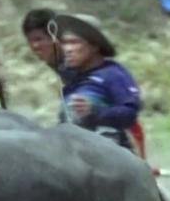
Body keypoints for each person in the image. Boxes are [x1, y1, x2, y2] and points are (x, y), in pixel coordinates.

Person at [53, 13, 145, 156]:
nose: (67, 49)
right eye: (64, 43)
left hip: (111, 159)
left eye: (74, 42)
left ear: (94, 46)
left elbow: (130, 114)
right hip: (75, 156)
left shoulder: (112, 74)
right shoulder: (73, 80)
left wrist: (96, 112)